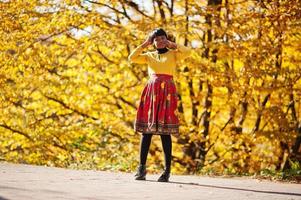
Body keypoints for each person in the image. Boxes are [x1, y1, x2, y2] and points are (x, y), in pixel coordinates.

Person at [128, 28, 191, 182]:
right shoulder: (149, 56)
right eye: (157, 39)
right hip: (152, 94)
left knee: (165, 133)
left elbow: (188, 51)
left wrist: (173, 44)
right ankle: (141, 169)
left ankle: (167, 172)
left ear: (166, 39)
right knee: (147, 132)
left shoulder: (173, 54)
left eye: (162, 38)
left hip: (167, 94)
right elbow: (132, 57)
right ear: (153, 42)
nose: (160, 41)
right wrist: (144, 44)